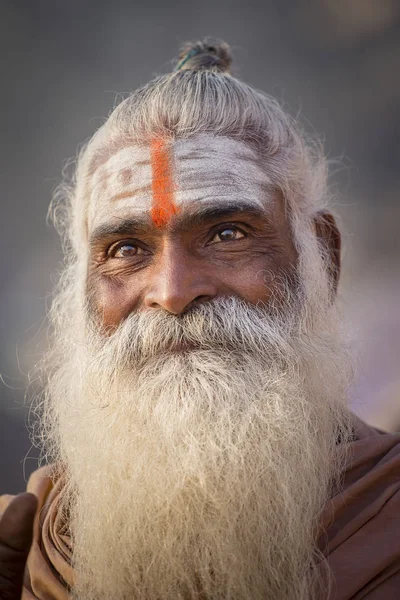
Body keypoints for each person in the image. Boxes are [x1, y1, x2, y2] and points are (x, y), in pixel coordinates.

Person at [0, 38, 399, 600]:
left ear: (323, 261)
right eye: (125, 249)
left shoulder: (386, 516)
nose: (173, 292)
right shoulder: (39, 538)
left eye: (227, 234)